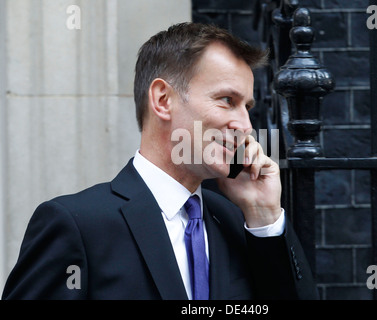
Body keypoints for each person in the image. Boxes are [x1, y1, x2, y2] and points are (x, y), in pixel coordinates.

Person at [2, 22, 318, 300]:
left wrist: (264, 213)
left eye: (246, 106)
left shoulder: (240, 222)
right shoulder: (77, 225)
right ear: (163, 100)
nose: (246, 126)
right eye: (227, 101)